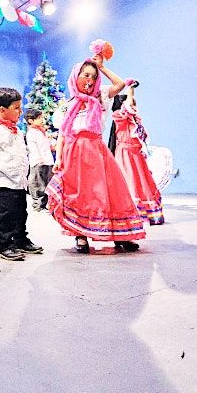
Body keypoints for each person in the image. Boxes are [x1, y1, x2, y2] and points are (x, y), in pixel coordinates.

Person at [47, 54, 144, 254]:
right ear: (76, 77)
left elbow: (119, 84)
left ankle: (121, 235)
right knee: (80, 196)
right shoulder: (69, 104)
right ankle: (81, 236)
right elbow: (63, 134)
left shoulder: (101, 96)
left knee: (112, 193)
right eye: (85, 75)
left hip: (97, 153)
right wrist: (59, 160)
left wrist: (102, 67)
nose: (89, 80)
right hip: (74, 154)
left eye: (93, 76)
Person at [0, 88, 43, 261]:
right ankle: (4, 245)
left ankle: (20, 239)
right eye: (16, 108)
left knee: (21, 212)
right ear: (2, 110)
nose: (20, 111)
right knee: (6, 215)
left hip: (19, 182)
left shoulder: (17, 131)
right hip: (2, 181)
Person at [108, 82, 164, 224]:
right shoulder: (119, 117)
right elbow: (126, 110)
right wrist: (130, 91)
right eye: (130, 103)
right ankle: (131, 213)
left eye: (134, 104)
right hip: (126, 155)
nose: (133, 107)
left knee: (142, 182)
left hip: (136, 154)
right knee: (130, 182)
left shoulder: (135, 120)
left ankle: (148, 213)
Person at [24, 108, 54, 214]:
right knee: (38, 183)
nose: (42, 120)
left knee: (46, 183)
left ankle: (44, 204)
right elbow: (35, 148)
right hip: (38, 162)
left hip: (47, 161)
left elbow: (45, 146)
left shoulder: (41, 131)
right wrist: (40, 160)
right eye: (39, 118)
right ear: (31, 120)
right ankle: (38, 205)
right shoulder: (32, 133)